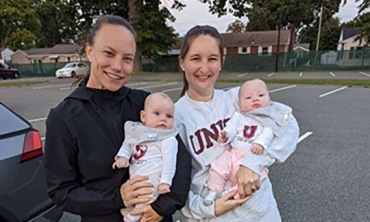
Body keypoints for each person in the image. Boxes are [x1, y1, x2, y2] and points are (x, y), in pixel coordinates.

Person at [44, 15, 191, 222]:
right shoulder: (64, 118)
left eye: (127, 58)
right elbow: (62, 192)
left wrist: (163, 207)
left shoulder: (144, 103)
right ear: (89, 51)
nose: (117, 66)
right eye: (109, 53)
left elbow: (180, 158)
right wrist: (117, 198)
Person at [175, 25, 300, 222]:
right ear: (182, 62)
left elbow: (287, 123)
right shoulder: (173, 117)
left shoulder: (239, 98)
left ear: (221, 62)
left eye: (212, 59)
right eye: (196, 58)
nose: (205, 68)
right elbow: (171, 184)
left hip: (260, 212)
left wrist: (253, 164)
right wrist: (209, 209)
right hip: (212, 216)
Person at [203, 79, 292, 205]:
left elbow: (269, 132)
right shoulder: (239, 115)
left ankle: (231, 194)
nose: (255, 99)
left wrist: (260, 143)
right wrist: (226, 135)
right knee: (218, 166)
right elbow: (232, 127)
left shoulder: (268, 117)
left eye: (261, 95)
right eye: (249, 98)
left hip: (250, 155)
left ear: (269, 98)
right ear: (240, 104)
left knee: (254, 179)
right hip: (233, 153)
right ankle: (213, 191)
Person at [113, 92, 178, 222]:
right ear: (143, 116)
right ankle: (131, 212)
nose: (163, 119)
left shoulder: (168, 139)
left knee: (146, 197)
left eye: (169, 116)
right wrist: (122, 157)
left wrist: (165, 182)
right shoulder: (138, 132)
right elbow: (127, 145)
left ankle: (133, 217)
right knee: (131, 193)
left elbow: (170, 162)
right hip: (135, 177)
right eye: (157, 114)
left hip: (153, 179)